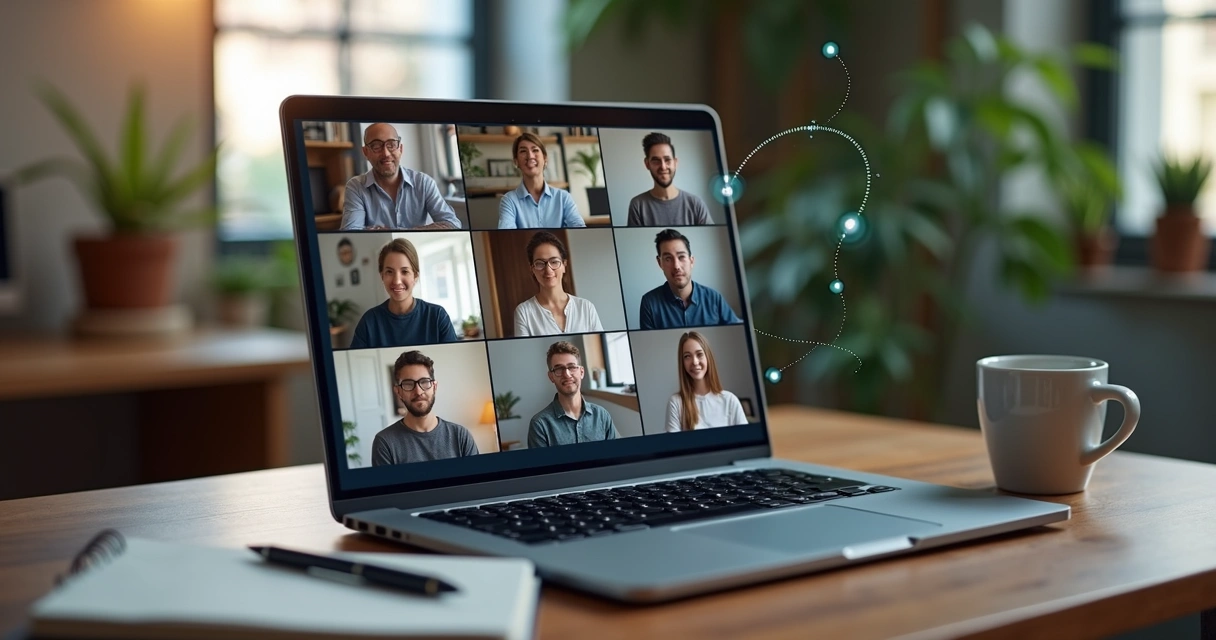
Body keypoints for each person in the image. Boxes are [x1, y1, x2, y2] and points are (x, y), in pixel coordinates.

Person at [340, 123, 461, 231]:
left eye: (391, 145)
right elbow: (351, 231)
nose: (386, 153)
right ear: (366, 152)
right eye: (376, 146)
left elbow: (452, 223)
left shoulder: (423, 182)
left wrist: (405, 231)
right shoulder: (356, 187)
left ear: (400, 149)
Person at [372, 350, 479, 465]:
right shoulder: (385, 442)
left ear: (434, 387)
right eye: (408, 384)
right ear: (398, 392)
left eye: (424, 382)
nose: (418, 391)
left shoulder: (460, 436)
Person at [349, 238, 458, 348]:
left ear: (415, 276)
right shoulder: (369, 322)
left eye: (405, 271)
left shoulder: (438, 316)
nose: (397, 281)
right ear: (382, 276)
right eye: (389, 272)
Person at [638, 229, 742, 330]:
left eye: (681, 257)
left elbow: (738, 330)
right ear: (660, 263)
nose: (676, 266)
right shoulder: (649, 303)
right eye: (668, 259)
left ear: (691, 261)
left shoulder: (714, 298)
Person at [527, 341, 619, 447]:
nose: (566, 374)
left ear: (581, 372)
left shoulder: (602, 416)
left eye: (571, 367)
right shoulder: (539, 424)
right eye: (559, 369)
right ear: (551, 376)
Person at [513, 231, 604, 337]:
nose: (548, 270)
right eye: (540, 263)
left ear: (564, 265)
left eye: (554, 262)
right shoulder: (524, 312)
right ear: (532, 269)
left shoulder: (586, 308)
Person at [498, 132, 585, 229]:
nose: (530, 156)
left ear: (545, 158)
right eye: (523, 151)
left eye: (535, 150)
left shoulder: (563, 198)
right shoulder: (509, 201)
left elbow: (579, 228)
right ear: (516, 161)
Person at [665, 331, 748, 432]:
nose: (695, 362)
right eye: (687, 356)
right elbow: (674, 446)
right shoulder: (676, 403)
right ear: (682, 363)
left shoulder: (730, 400)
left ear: (708, 357)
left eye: (699, 354)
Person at [627, 132, 713, 227]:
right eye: (656, 161)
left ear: (675, 163)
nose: (663, 167)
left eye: (667, 160)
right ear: (647, 164)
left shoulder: (696, 204)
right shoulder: (638, 205)